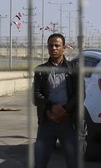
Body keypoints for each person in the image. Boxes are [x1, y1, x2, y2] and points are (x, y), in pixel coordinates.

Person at [33, 33, 82, 168]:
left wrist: (65, 109)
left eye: (57, 45)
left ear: (64, 48)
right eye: (51, 46)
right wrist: (52, 107)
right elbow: (35, 96)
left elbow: (80, 94)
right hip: (46, 123)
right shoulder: (40, 70)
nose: (53, 48)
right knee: (40, 162)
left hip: (68, 123)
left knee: (73, 162)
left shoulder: (74, 69)